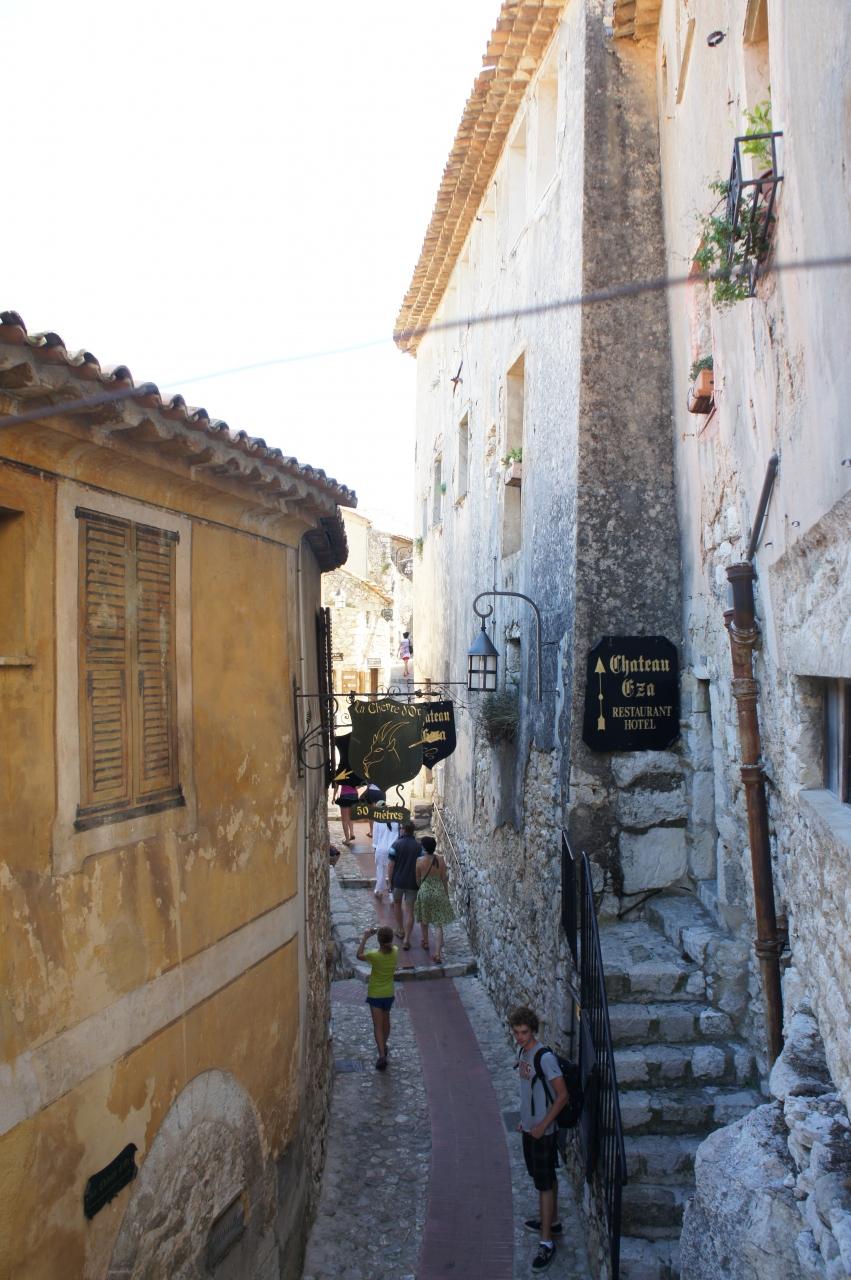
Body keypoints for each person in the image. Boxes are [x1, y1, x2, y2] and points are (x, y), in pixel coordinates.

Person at [509, 1006, 568, 1273]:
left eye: (524, 1032)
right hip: (529, 1129)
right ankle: (552, 1221)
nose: (520, 1037)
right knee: (543, 1178)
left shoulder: (545, 1058)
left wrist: (543, 1125)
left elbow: (562, 1096)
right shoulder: (523, 1052)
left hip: (543, 1132)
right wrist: (526, 1122)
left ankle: (546, 1242)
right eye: (516, 1032)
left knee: (544, 1184)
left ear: (533, 1030)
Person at [356, 925, 398, 1070]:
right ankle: (384, 1046)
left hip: (375, 994)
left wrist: (365, 937)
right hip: (389, 993)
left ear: (379, 941)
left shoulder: (374, 955)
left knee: (378, 1026)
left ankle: (381, 1055)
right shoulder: (395, 952)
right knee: (386, 1022)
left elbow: (358, 955)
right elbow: (389, 946)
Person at [414, 835, 455, 962]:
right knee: (438, 924)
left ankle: (426, 942)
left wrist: (423, 887)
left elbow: (417, 880)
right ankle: (437, 953)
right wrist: (446, 894)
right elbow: (444, 879)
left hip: (425, 891)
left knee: (424, 919)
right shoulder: (441, 860)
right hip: (438, 892)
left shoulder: (419, 861)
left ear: (424, 847)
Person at [388, 820, 421, 950]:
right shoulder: (418, 847)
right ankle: (407, 938)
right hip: (413, 882)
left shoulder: (396, 844)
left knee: (397, 904)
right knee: (410, 910)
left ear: (403, 829)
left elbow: (391, 865)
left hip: (398, 881)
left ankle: (400, 929)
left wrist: (389, 881)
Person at [372, 819, 399, 899]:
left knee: (380, 869)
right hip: (394, 848)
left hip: (381, 848)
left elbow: (375, 836)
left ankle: (379, 889)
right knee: (394, 870)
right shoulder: (397, 819)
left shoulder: (377, 820)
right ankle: (392, 892)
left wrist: (375, 847)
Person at [333, 778, 359, 843]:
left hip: (345, 795)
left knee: (344, 819)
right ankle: (352, 834)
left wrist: (334, 796)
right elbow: (359, 784)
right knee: (350, 816)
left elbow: (336, 785)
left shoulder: (341, 773)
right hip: (355, 795)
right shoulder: (354, 772)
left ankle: (347, 840)